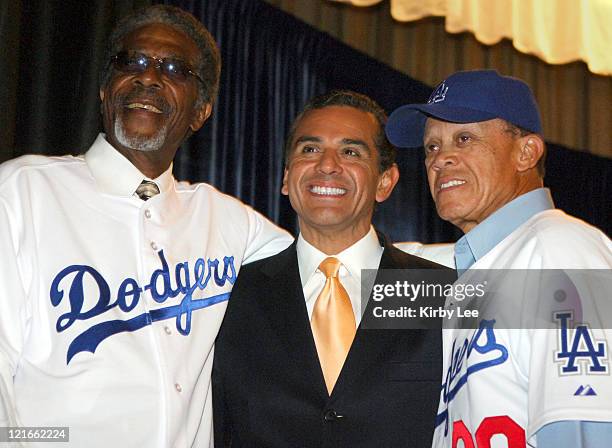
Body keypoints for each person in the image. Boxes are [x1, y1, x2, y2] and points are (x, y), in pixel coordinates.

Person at [0, 5, 292, 447]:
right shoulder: (24, 192)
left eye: (174, 68)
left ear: (201, 111)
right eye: (130, 61)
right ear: (104, 90)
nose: (148, 77)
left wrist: (434, 292)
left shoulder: (228, 221)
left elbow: (334, 274)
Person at [386, 69, 612, 447]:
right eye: (432, 147)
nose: (441, 159)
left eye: (464, 138)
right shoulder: (473, 278)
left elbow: (588, 429)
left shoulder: (558, 250)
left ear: (526, 153)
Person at [212, 90, 452, 447]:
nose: (327, 164)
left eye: (350, 152)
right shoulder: (229, 294)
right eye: (309, 149)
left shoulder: (439, 291)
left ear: (385, 182)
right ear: (286, 177)